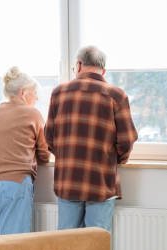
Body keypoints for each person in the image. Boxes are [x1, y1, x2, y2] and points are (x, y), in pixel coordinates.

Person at [45, 45, 137, 232]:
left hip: (68, 181)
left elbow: (49, 138)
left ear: (78, 65)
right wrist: (112, 160)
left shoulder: (59, 93)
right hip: (101, 182)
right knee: (97, 246)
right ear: (103, 70)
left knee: (66, 243)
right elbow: (127, 140)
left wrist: (67, 155)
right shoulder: (116, 95)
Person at [0, 66, 50, 237]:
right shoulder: (32, 114)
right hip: (13, 185)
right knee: (13, 248)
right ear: (24, 93)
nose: (36, 97)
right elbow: (44, 155)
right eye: (34, 92)